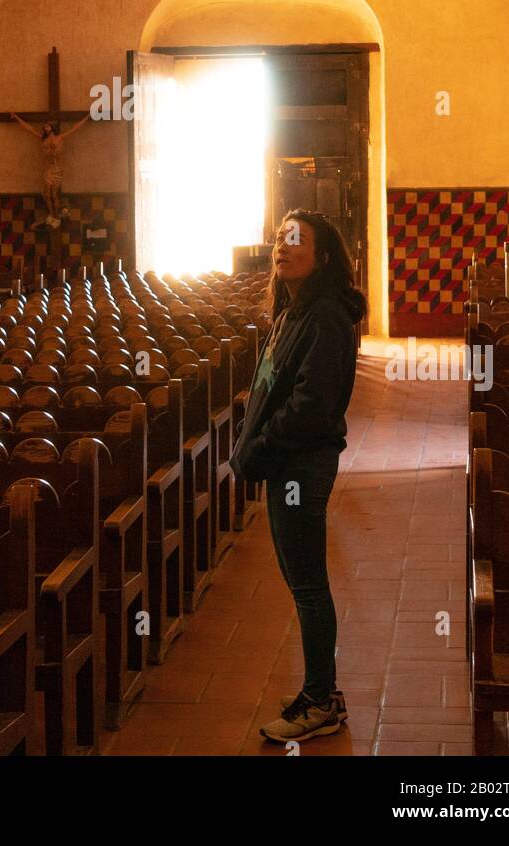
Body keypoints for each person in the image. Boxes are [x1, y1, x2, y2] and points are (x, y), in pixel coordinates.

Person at [229, 209, 366, 744]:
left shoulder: (327, 316)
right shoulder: (295, 309)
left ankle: (321, 700)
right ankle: (320, 689)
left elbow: (311, 404)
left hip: (299, 464)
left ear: (323, 255)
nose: (281, 248)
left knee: (308, 585)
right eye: (279, 239)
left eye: (296, 240)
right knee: (299, 580)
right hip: (285, 460)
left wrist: (260, 447)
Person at [10, 112, 90, 227]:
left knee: (54, 194)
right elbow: (29, 128)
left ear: (52, 128)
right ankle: (52, 215)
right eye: (44, 127)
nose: (45, 128)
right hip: (48, 170)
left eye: (47, 126)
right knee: (46, 194)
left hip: (57, 169)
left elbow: (75, 127)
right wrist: (17, 118)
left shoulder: (60, 137)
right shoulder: (42, 139)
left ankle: (57, 215)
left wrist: (88, 116)